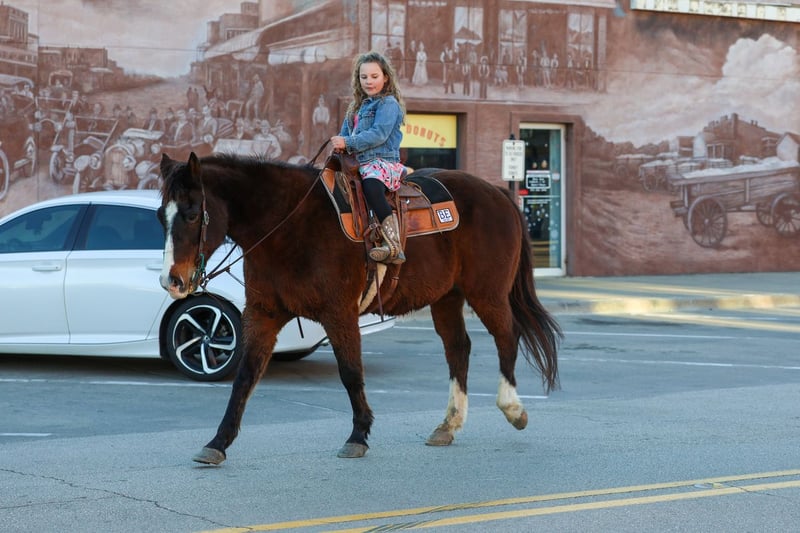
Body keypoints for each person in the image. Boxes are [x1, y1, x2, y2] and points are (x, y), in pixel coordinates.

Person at [330, 51, 406, 265]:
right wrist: (340, 146)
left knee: (372, 186)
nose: (369, 81)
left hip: (380, 162)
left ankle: (393, 244)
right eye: (364, 77)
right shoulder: (355, 107)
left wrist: (348, 143)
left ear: (386, 77)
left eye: (374, 76)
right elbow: (345, 133)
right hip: (357, 164)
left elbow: (379, 134)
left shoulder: (388, 104)